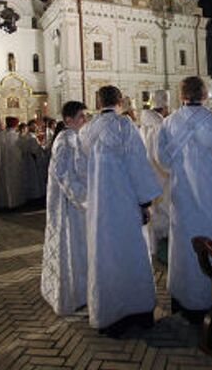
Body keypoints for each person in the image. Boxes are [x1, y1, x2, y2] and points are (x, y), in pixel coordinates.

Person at [158, 77, 212, 321]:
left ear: (182, 95)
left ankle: (184, 297)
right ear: (205, 95)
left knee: (186, 244)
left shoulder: (169, 123)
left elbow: (163, 160)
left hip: (183, 196)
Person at [79, 86, 161, 337]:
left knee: (104, 256)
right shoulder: (125, 127)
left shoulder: (86, 131)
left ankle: (108, 314)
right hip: (124, 203)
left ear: (97, 101)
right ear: (119, 102)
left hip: (99, 207)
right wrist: (145, 202)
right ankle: (138, 311)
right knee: (132, 254)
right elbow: (137, 164)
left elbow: (84, 169)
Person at [41, 101, 89, 316]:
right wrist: (83, 197)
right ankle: (71, 295)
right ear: (69, 120)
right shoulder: (66, 139)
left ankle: (81, 292)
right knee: (71, 247)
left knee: (79, 248)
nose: (85, 120)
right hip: (68, 205)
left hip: (75, 203)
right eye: (81, 116)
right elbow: (63, 173)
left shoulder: (75, 137)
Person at [139, 90, 172, 256]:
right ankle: (162, 244)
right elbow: (162, 156)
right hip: (162, 173)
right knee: (164, 207)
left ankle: (152, 246)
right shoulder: (160, 126)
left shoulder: (144, 125)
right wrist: (173, 169)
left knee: (153, 210)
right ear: (165, 107)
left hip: (148, 172)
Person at [0, 117, 24, 210]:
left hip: (0, 166)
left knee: (0, 184)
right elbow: (25, 150)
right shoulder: (18, 137)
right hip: (14, 166)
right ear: (16, 125)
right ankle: (14, 203)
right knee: (13, 184)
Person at [21, 120, 47, 205]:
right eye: (33, 126)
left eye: (35, 125)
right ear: (29, 127)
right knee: (35, 179)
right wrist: (41, 146)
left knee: (31, 178)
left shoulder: (27, 136)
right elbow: (35, 150)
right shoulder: (31, 137)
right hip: (33, 160)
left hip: (29, 160)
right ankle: (35, 196)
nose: (35, 127)